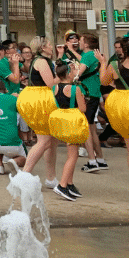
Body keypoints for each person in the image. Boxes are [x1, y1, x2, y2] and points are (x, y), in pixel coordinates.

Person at [97, 36, 129, 204]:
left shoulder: (114, 66)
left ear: (123, 51)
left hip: (126, 109)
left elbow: (104, 81)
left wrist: (103, 63)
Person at [22, 36, 60, 189]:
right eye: (49, 44)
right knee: (44, 141)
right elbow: (50, 83)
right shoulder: (42, 61)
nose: (52, 46)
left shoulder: (41, 60)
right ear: (43, 48)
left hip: (39, 99)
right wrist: (66, 76)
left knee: (51, 142)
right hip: (41, 101)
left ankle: (51, 178)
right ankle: (24, 175)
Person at [51, 60, 86, 201]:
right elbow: (83, 108)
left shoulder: (55, 87)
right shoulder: (75, 89)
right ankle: (62, 184)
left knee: (71, 153)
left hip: (60, 120)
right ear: (68, 73)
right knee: (73, 155)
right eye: (72, 72)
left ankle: (70, 184)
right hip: (72, 121)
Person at [74, 32, 107, 173]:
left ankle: (92, 161)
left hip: (86, 93)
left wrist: (72, 71)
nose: (79, 42)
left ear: (86, 44)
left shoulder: (87, 56)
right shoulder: (93, 55)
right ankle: (100, 159)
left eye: (80, 40)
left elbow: (78, 75)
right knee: (92, 127)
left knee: (86, 127)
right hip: (93, 92)